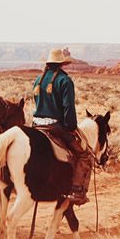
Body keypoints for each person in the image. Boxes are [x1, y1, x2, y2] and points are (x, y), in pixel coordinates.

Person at [32, 48, 93, 205]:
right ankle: (77, 191)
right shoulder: (65, 81)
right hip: (55, 127)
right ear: (61, 64)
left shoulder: (38, 79)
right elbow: (68, 107)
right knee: (85, 155)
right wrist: (70, 126)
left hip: (36, 124)